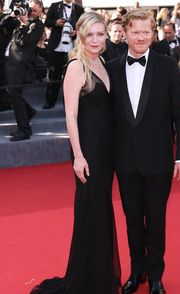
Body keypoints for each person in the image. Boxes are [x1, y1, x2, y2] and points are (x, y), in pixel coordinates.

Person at [30, 12, 121, 294]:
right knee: (90, 212)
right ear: (80, 35)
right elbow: (70, 116)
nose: (95, 40)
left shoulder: (103, 62)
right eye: (90, 34)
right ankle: (87, 281)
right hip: (88, 152)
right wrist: (78, 156)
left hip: (106, 151)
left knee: (101, 210)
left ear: (106, 35)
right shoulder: (76, 67)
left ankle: (100, 275)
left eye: (100, 34)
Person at [107, 9, 180, 294]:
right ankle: (136, 272)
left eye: (146, 31)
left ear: (153, 33)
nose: (141, 37)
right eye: (135, 31)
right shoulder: (113, 67)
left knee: (156, 220)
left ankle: (156, 275)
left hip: (159, 160)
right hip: (125, 160)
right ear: (125, 32)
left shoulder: (168, 66)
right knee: (133, 221)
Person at [5, 0, 44, 141]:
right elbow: (3, 24)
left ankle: (25, 130)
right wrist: (13, 15)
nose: (32, 12)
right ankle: (28, 111)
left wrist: (24, 23)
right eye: (30, 9)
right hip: (8, 62)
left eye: (35, 10)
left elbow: (24, 41)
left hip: (18, 65)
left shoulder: (38, 25)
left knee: (15, 95)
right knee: (12, 94)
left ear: (40, 12)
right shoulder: (20, 18)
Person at [42, 0, 84, 109]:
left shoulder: (79, 9)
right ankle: (50, 101)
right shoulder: (54, 6)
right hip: (56, 47)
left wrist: (76, 32)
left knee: (71, 78)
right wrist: (56, 22)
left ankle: (69, 104)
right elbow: (46, 22)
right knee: (53, 75)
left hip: (72, 48)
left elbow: (83, 26)